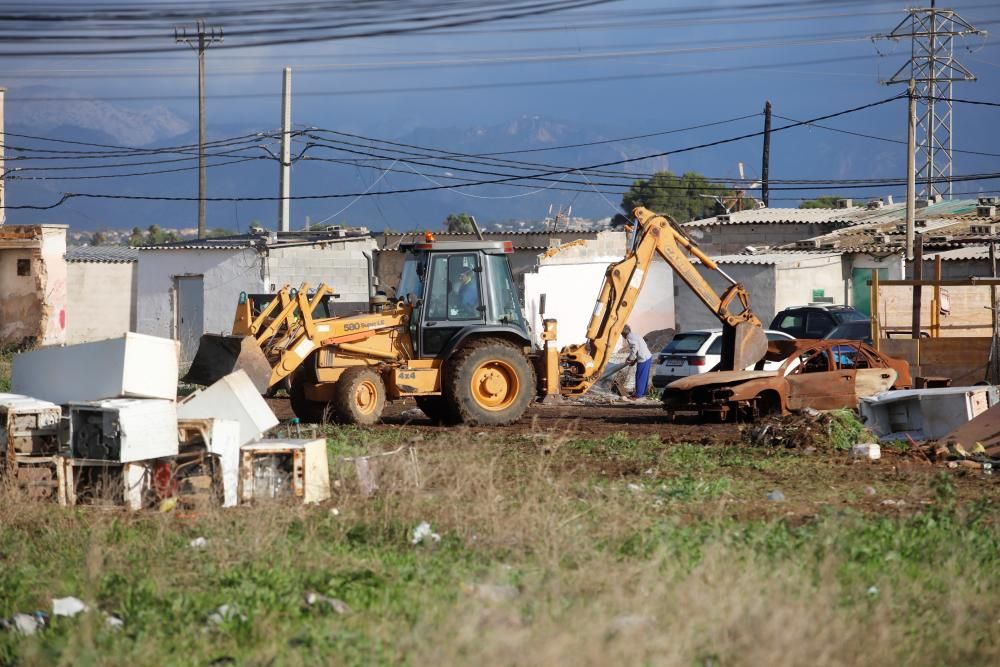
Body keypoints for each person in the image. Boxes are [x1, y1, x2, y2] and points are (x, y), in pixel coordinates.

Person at [621, 324, 653, 399]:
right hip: (647, 356)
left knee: (639, 376)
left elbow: (635, 349)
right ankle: (642, 393)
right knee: (644, 376)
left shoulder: (629, 337)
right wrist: (634, 361)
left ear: (623, 333)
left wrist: (629, 359)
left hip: (643, 358)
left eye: (621, 334)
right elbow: (640, 348)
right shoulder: (635, 335)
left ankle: (638, 395)